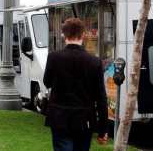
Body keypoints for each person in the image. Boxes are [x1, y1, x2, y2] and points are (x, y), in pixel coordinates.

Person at [43, 18, 109, 151]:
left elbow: (47, 82)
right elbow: (101, 98)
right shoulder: (95, 62)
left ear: (64, 35)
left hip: (59, 117)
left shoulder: (54, 57)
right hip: (85, 119)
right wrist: (103, 129)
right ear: (83, 35)